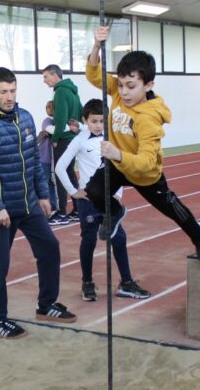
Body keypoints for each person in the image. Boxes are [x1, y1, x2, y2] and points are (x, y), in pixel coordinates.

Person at [83, 26, 200, 260]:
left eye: (131, 87)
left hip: (145, 173)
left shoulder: (149, 118)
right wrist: (96, 47)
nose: (123, 92)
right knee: (93, 190)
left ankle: (199, 234)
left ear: (148, 85)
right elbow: (94, 74)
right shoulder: (119, 92)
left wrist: (117, 154)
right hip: (119, 163)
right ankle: (115, 211)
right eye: (120, 85)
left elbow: (145, 162)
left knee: (172, 210)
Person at [0, 67, 77, 339]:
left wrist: (43, 195)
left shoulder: (25, 118)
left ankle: (47, 304)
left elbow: (34, 163)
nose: (9, 96)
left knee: (50, 248)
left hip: (28, 204)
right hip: (1, 211)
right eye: (3, 92)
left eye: (13, 91)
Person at [56, 99, 150, 302]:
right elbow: (60, 167)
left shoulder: (112, 139)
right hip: (88, 201)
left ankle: (126, 283)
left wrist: (119, 194)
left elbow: (120, 167)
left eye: (102, 121)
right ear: (85, 120)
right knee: (89, 240)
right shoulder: (80, 140)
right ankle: (87, 283)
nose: (98, 125)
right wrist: (73, 192)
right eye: (94, 121)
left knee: (119, 239)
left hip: (109, 201)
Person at [42, 64, 82, 224]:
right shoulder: (73, 92)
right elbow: (80, 112)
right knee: (70, 174)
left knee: (59, 174)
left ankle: (61, 212)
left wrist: (55, 138)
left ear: (55, 75)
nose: (44, 81)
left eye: (46, 76)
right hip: (73, 138)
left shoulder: (60, 91)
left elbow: (60, 118)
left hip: (63, 139)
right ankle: (78, 209)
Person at [37, 100, 58, 210]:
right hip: (44, 159)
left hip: (54, 160)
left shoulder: (59, 122)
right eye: (47, 107)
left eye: (51, 107)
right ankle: (38, 207)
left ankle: (54, 206)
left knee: (52, 184)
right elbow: (49, 131)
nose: (49, 108)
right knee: (43, 183)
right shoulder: (47, 121)